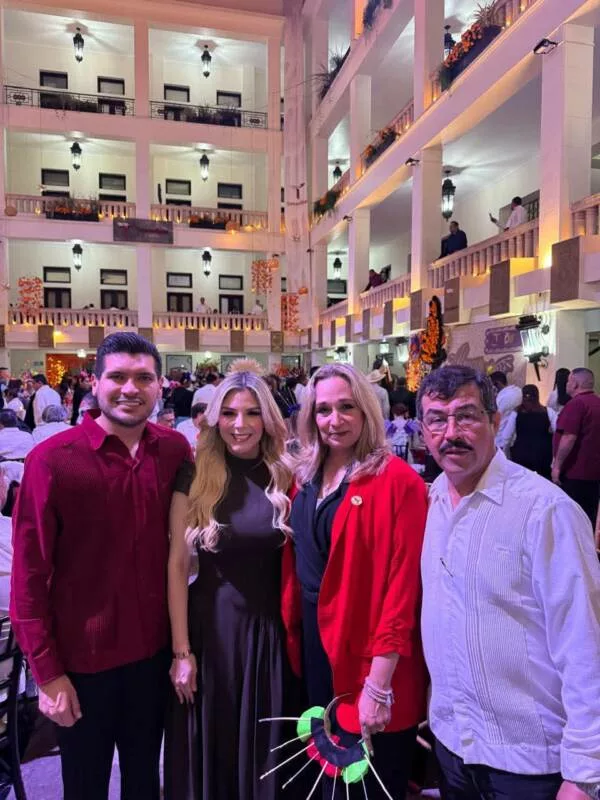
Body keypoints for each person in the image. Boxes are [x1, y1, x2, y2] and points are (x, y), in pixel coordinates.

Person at [10, 332, 191, 800]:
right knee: (85, 784)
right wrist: (47, 673)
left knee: (145, 780)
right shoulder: (52, 461)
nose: (131, 388)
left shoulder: (173, 451)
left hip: (151, 657)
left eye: (144, 378)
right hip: (82, 663)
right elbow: (29, 577)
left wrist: (181, 651)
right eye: (118, 377)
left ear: (160, 386)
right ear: (95, 383)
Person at [418, 365, 600, 800]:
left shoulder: (545, 511)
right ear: (423, 429)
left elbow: (585, 645)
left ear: (495, 421)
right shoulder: (433, 500)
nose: (451, 433)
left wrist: (585, 771)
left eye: (466, 416)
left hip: (529, 762)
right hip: (454, 747)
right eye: (437, 419)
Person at [283, 363, 428, 799]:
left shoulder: (398, 482)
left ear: (366, 410)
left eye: (346, 407)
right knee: (328, 774)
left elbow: (403, 591)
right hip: (316, 644)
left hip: (370, 651)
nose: (335, 420)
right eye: (323, 409)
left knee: (371, 781)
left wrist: (378, 685)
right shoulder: (304, 476)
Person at [165, 360, 298, 800]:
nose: (240, 425)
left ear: (268, 419)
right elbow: (177, 565)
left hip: (268, 636)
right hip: (210, 635)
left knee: (263, 759)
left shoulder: (286, 473)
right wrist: (181, 651)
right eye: (229, 413)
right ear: (215, 418)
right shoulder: (195, 473)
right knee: (215, 753)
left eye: (252, 413)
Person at [552, 367, 600, 527]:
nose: (566, 384)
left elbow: (569, 437)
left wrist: (557, 466)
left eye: (568, 381)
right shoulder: (597, 402)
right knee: (588, 518)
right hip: (594, 474)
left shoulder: (576, 404)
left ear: (575, 384)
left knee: (571, 520)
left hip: (575, 472)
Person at [507, 384, 555, 480]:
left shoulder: (516, 412)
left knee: (521, 482)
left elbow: (507, 436)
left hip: (521, 453)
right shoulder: (548, 412)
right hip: (543, 455)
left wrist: (506, 455)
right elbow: (557, 430)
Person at [489, 371, 521, 455]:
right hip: (515, 438)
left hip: (500, 439)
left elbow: (493, 418)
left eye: (491, 386)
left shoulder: (502, 398)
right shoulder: (518, 391)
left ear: (497, 384)